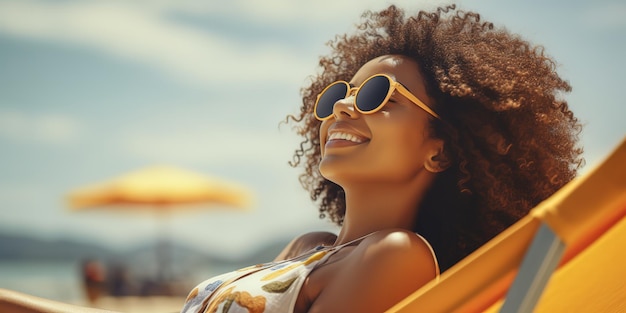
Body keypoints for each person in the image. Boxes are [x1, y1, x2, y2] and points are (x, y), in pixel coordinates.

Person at [0, 4, 583, 313]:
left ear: (441, 151)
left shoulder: (397, 258)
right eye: (339, 94)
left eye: (378, 96)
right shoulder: (310, 249)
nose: (344, 109)